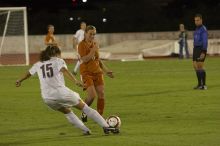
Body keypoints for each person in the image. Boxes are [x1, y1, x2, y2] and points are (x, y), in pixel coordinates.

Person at [15, 45, 118, 135]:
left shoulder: (38, 64)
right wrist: (76, 81)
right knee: (85, 108)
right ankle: (106, 126)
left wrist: (19, 80)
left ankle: (85, 130)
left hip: (47, 98)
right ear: (56, 53)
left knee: (67, 111)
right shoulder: (58, 61)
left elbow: (28, 73)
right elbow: (64, 70)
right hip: (61, 93)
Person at [78, 25, 114, 122]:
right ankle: (84, 111)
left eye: (94, 34)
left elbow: (98, 60)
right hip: (86, 73)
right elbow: (84, 59)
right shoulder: (81, 45)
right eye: (90, 34)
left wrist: (106, 71)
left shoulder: (94, 44)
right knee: (92, 96)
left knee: (101, 94)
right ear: (85, 33)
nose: (92, 36)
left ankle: (100, 117)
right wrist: (93, 50)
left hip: (97, 72)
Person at [192, 14, 208, 90]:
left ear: (201, 20)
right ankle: (199, 84)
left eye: (197, 20)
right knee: (195, 66)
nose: (196, 22)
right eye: (195, 20)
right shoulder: (196, 29)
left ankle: (204, 85)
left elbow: (205, 41)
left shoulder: (203, 29)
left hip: (201, 49)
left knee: (200, 66)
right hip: (195, 49)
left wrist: (203, 51)